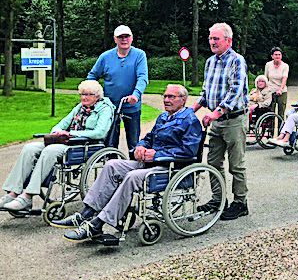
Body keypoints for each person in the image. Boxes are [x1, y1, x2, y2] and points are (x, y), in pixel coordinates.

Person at [53, 84, 201, 240]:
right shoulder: (163, 117)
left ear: (183, 100)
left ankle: (98, 223)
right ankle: (86, 213)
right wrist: (140, 147)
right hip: (150, 163)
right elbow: (149, 138)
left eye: (171, 97)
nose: (166, 100)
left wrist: (157, 155)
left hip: (171, 168)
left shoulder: (190, 120)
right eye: (165, 96)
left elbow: (188, 151)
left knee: (132, 177)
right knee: (111, 165)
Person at [0, 81, 114, 212]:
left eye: (88, 94)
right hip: (67, 142)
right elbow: (62, 124)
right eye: (82, 94)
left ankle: (27, 196)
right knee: (29, 148)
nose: (84, 97)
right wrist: (56, 132)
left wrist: (71, 133)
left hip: (85, 145)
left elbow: (99, 132)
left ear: (97, 96)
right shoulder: (79, 108)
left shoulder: (105, 109)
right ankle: (12, 193)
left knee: (50, 151)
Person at [193, 23, 249, 221]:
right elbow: (205, 93)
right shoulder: (210, 62)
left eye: (216, 39)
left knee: (236, 165)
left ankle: (240, 203)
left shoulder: (237, 61)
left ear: (228, 41)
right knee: (213, 162)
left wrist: (215, 113)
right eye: (210, 38)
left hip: (234, 120)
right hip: (216, 121)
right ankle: (218, 200)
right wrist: (191, 111)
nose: (212, 42)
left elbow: (235, 92)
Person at [87, 25, 148, 159]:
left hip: (131, 105)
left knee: (134, 143)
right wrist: (93, 95)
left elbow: (142, 77)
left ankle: (133, 172)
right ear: (115, 39)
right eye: (120, 37)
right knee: (109, 142)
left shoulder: (139, 55)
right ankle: (112, 170)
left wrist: (136, 95)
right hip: (110, 106)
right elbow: (92, 76)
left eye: (126, 36)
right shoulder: (105, 57)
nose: (124, 39)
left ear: (131, 38)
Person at [265, 47, 289, 121]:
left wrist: (280, 90)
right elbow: (265, 78)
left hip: (282, 91)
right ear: (272, 56)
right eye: (275, 55)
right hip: (271, 90)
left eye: (279, 54)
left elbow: (284, 78)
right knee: (270, 112)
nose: (277, 56)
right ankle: (271, 131)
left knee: (281, 113)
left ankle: (280, 131)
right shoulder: (268, 65)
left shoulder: (285, 66)